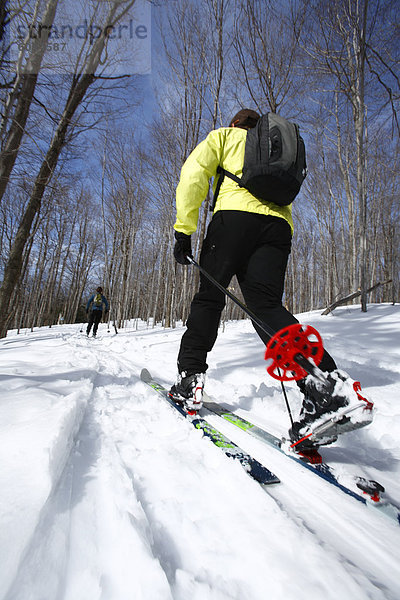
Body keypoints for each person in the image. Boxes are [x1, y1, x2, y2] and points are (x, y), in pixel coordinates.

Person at [169, 108, 373, 448]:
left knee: (210, 298)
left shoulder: (225, 136)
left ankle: (190, 378)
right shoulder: (277, 152)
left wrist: (183, 231)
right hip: (278, 229)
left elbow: (193, 174)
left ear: (237, 124)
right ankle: (326, 385)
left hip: (232, 221)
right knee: (266, 307)